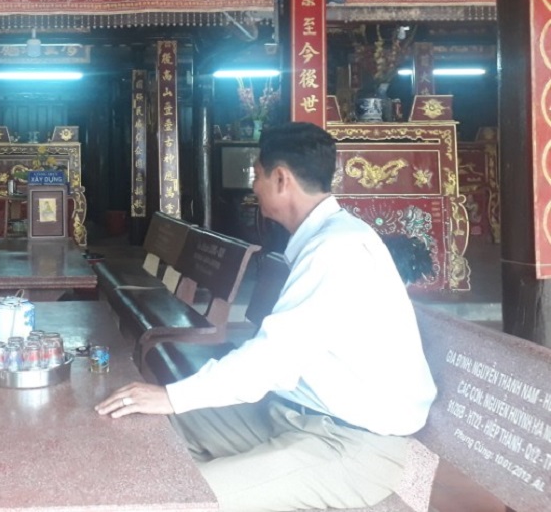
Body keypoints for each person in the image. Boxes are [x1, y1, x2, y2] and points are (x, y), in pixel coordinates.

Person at [96, 122, 437, 511]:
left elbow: (272, 359)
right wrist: (171, 402)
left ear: (281, 179)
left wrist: (172, 396)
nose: (253, 187)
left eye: (256, 175)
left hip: (347, 445)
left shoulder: (338, 249)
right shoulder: (327, 237)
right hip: (290, 416)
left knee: (182, 498)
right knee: (153, 427)